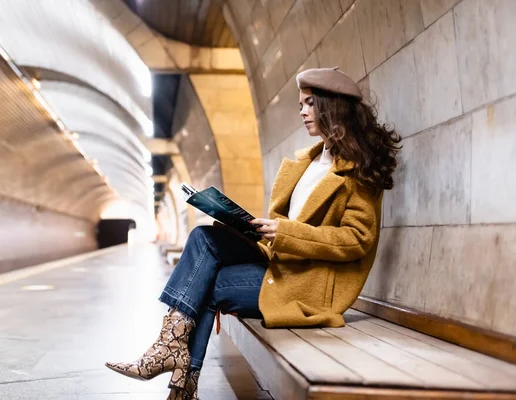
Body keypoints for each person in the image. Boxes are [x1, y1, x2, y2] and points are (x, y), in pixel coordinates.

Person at [105, 67, 401, 399]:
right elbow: (292, 225)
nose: (302, 111)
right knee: (203, 237)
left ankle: (178, 375)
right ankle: (171, 352)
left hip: (308, 285)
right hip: (280, 263)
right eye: (301, 104)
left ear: (330, 108)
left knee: (208, 284)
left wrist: (286, 232)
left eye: (308, 104)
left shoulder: (358, 169)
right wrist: (251, 226)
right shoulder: (307, 162)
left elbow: (357, 240)